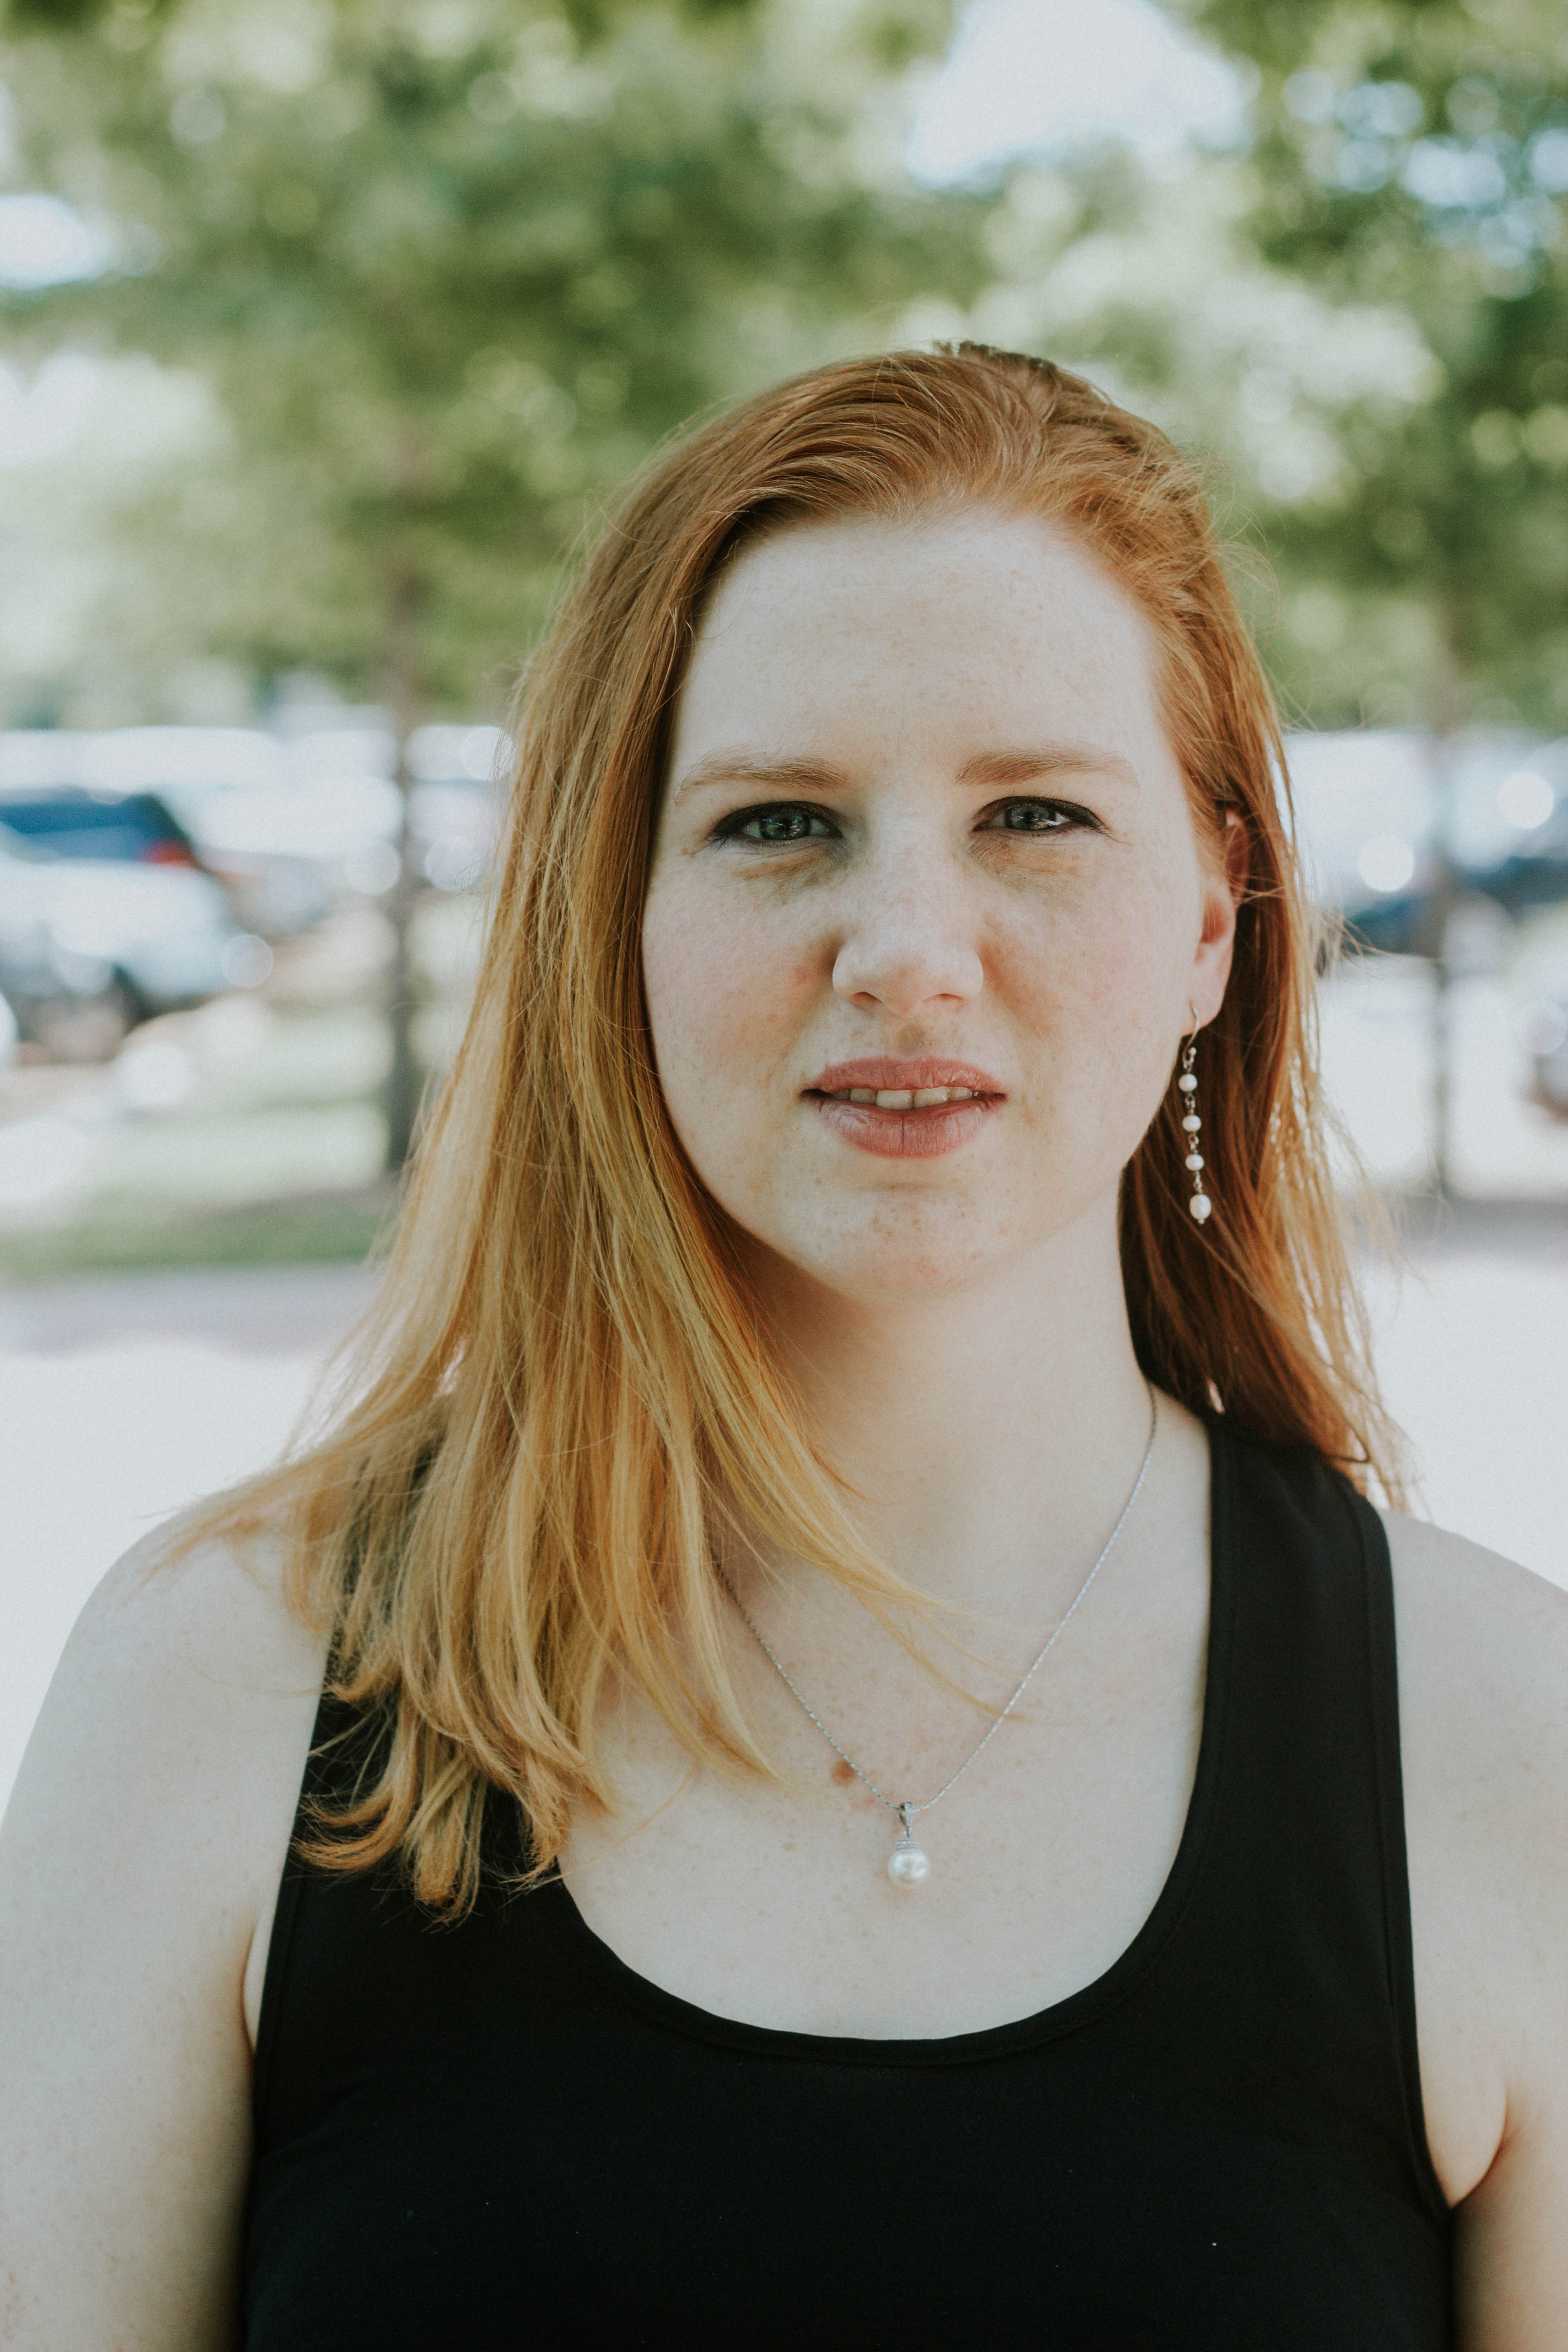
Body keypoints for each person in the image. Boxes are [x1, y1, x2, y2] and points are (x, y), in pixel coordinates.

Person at [2, 346, 1564, 2350]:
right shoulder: (219, 1688)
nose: (907, 950)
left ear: (1211, 920)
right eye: (778, 824)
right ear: (618, 915)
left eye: (1035, 814)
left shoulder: (1507, 1740)